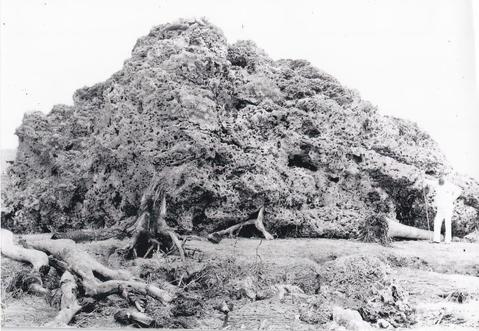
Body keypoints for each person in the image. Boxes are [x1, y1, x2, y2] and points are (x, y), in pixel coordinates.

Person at [420, 175, 462, 243]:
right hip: (440, 207)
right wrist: (424, 183)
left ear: (444, 180)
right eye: (439, 180)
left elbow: (459, 190)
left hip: (448, 207)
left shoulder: (449, 185)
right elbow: (426, 181)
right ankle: (436, 240)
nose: (440, 182)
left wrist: (452, 199)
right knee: (437, 222)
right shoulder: (436, 183)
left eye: (441, 181)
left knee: (447, 223)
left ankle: (448, 240)